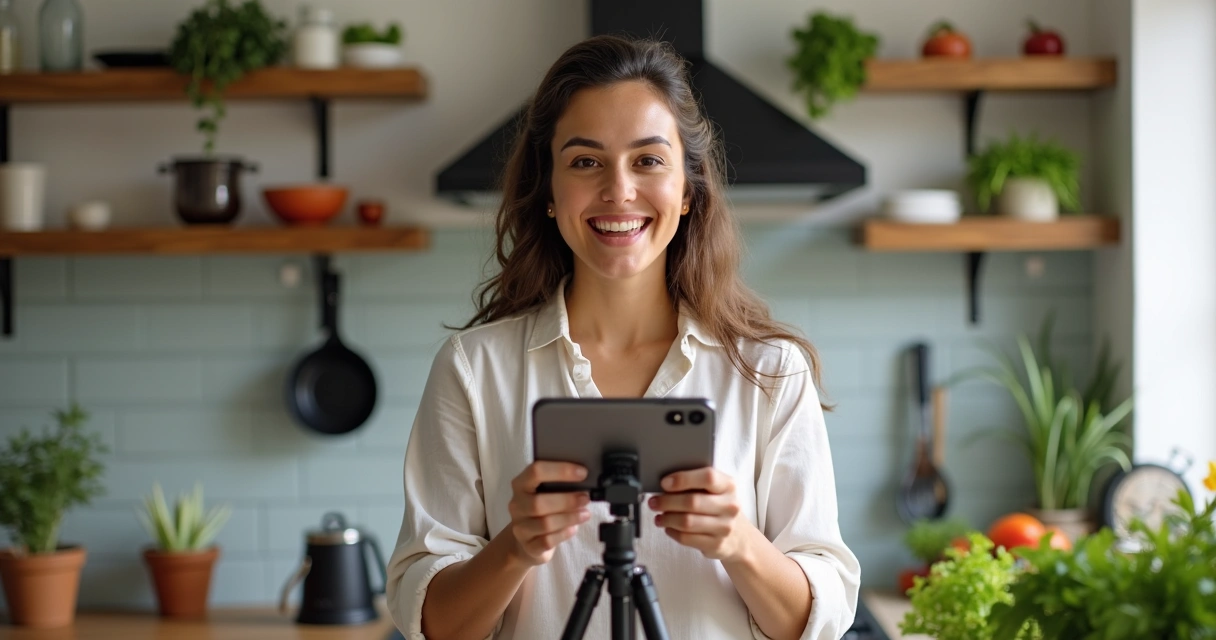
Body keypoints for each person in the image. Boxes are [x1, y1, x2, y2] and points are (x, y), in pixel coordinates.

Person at [386, 35, 859, 640]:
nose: (618, 189)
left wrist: (740, 543)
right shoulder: (474, 371)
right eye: (585, 161)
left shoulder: (770, 372)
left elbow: (818, 622)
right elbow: (432, 624)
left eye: (648, 160)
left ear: (688, 191)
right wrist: (515, 546)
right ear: (550, 193)